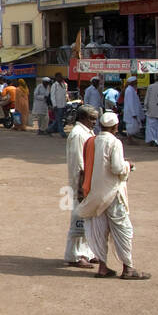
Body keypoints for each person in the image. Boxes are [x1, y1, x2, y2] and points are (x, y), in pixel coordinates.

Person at [76, 111, 149, 280]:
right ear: (115, 127)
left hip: (94, 194)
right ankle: (128, 269)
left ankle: (103, 267)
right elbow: (117, 168)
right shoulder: (114, 142)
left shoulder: (91, 141)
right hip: (112, 194)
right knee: (123, 229)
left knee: (100, 230)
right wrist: (128, 165)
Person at [64, 104, 98, 268]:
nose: (94, 122)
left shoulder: (87, 132)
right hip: (81, 182)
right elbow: (79, 163)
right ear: (83, 118)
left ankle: (87, 252)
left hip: (88, 181)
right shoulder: (78, 134)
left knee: (88, 218)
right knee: (78, 220)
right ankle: (75, 255)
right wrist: (81, 186)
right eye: (92, 119)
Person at [121, 76, 143, 141]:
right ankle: (129, 139)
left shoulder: (131, 90)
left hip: (132, 112)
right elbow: (130, 103)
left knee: (133, 126)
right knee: (131, 127)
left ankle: (130, 139)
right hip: (131, 112)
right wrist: (133, 113)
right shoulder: (129, 90)